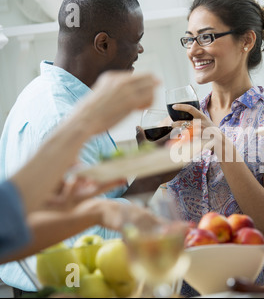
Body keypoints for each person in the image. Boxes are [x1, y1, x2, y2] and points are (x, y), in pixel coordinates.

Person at [0, 0, 147, 293]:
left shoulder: (43, 94)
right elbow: (87, 245)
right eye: (136, 40)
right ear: (103, 44)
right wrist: (150, 179)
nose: (140, 50)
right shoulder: (62, 118)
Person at [163, 0, 264, 296]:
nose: (193, 50)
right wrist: (149, 168)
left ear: (246, 41)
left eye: (206, 37)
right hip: (193, 290)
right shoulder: (179, 122)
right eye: (189, 39)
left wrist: (220, 145)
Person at [0, 71, 160, 265]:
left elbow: (7, 231)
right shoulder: (58, 112)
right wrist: (85, 119)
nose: (140, 49)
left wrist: (96, 213)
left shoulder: (38, 90)